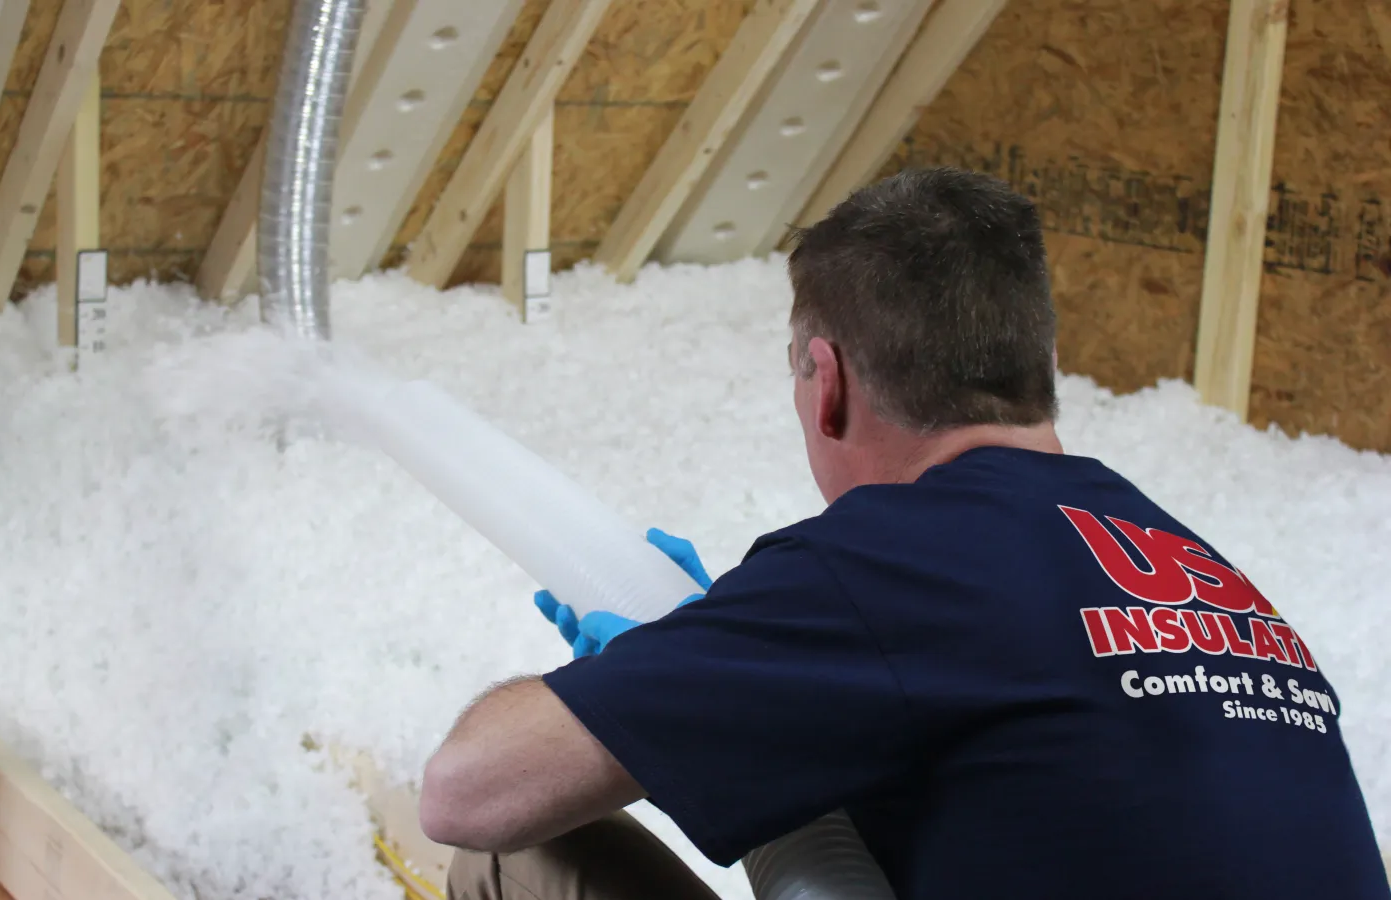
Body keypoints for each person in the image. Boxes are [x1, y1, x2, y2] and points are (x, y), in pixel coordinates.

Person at [417, 167, 1390, 900]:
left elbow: (467, 793)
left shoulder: (893, 562)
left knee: (516, 859)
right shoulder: (1203, 574)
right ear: (1042, 361)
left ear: (826, 381)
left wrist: (654, 675)